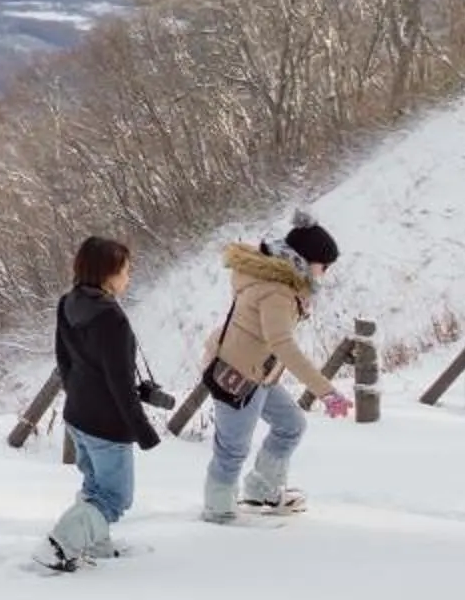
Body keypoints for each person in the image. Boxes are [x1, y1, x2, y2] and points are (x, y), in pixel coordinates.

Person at [200, 211, 353, 523]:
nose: (324, 273)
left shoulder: (278, 277)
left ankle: (262, 489)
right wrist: (326, 391)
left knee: (291, 425)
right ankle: (218, 508)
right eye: (324, 266)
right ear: (306, 260)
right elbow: (283, 344)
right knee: (233, 448)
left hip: (260, 372)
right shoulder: (277, 289)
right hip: (236, 374)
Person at [40, 235, 174, 571]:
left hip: (78, 415)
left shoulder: (68, 303)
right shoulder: (111, 319)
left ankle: (95, 543)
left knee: (95, 485)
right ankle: (59, 546)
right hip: (106, 423)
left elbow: (65, 362)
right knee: (115, 497)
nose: (128, 278)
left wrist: (81, 397)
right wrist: (143, 431)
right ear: (107, 273)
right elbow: (120, 383)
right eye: (126, 271)